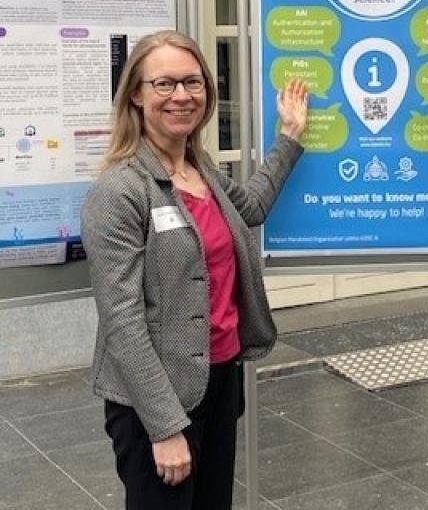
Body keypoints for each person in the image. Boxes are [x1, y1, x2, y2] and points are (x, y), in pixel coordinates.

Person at [81, 30, 308, 510]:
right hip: (156, 397)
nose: (181, 96)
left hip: (218, 379)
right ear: (137, 96)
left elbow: (253, 205)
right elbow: (121, 321)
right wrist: (163, 427)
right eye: (164, 84)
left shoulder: (201, 169)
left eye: (193, 82)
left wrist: (288, 137)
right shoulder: (120, 191)